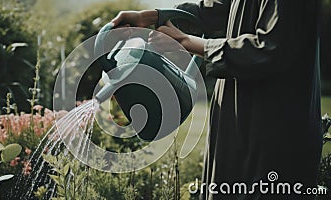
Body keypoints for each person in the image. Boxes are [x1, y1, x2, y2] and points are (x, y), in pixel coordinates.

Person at [111, 0, 322, 199]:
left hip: (273, 129)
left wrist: (185, 41)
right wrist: (151, 17)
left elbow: (269, 50)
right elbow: (216, 10)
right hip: (237, 122)